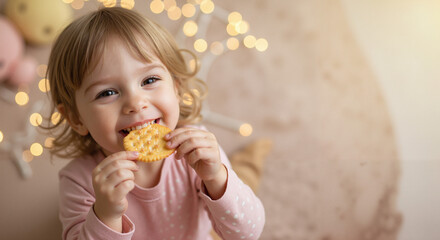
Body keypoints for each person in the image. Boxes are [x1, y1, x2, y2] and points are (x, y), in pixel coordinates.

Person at [44, 6, 265, 240]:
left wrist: (217, 177)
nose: (136, 103)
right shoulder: (80, 180)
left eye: (149, 80)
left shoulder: (197, 150)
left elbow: (248, 233)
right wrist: (105, 215)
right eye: (107, 93)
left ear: (176, 89)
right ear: (76, 118)